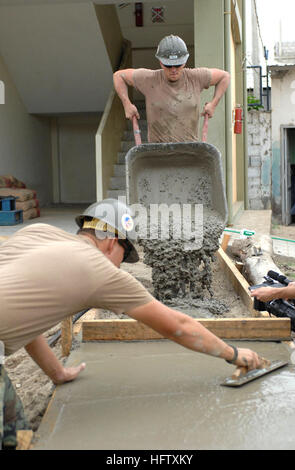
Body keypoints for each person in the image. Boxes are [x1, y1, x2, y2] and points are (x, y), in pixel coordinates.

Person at [0, 198, 261, 449]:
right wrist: (234, 353)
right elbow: (177, 325)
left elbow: (25, 318)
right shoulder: (98, 271)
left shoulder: (36, 233)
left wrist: (57, 373)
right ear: (112, 242)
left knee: (14, 426)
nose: (121, 267)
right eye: (124, 258)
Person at [113, 35, 230, 143]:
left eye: (178, 65)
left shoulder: (196, 77)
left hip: (188, 150)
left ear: (184, 62)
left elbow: (224, 76)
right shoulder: (149, 79)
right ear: (160, 62)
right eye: (168, 65)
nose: (173, 70)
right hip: (158, 151)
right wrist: (126, 104)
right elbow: (118, 76)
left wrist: (213, 104)